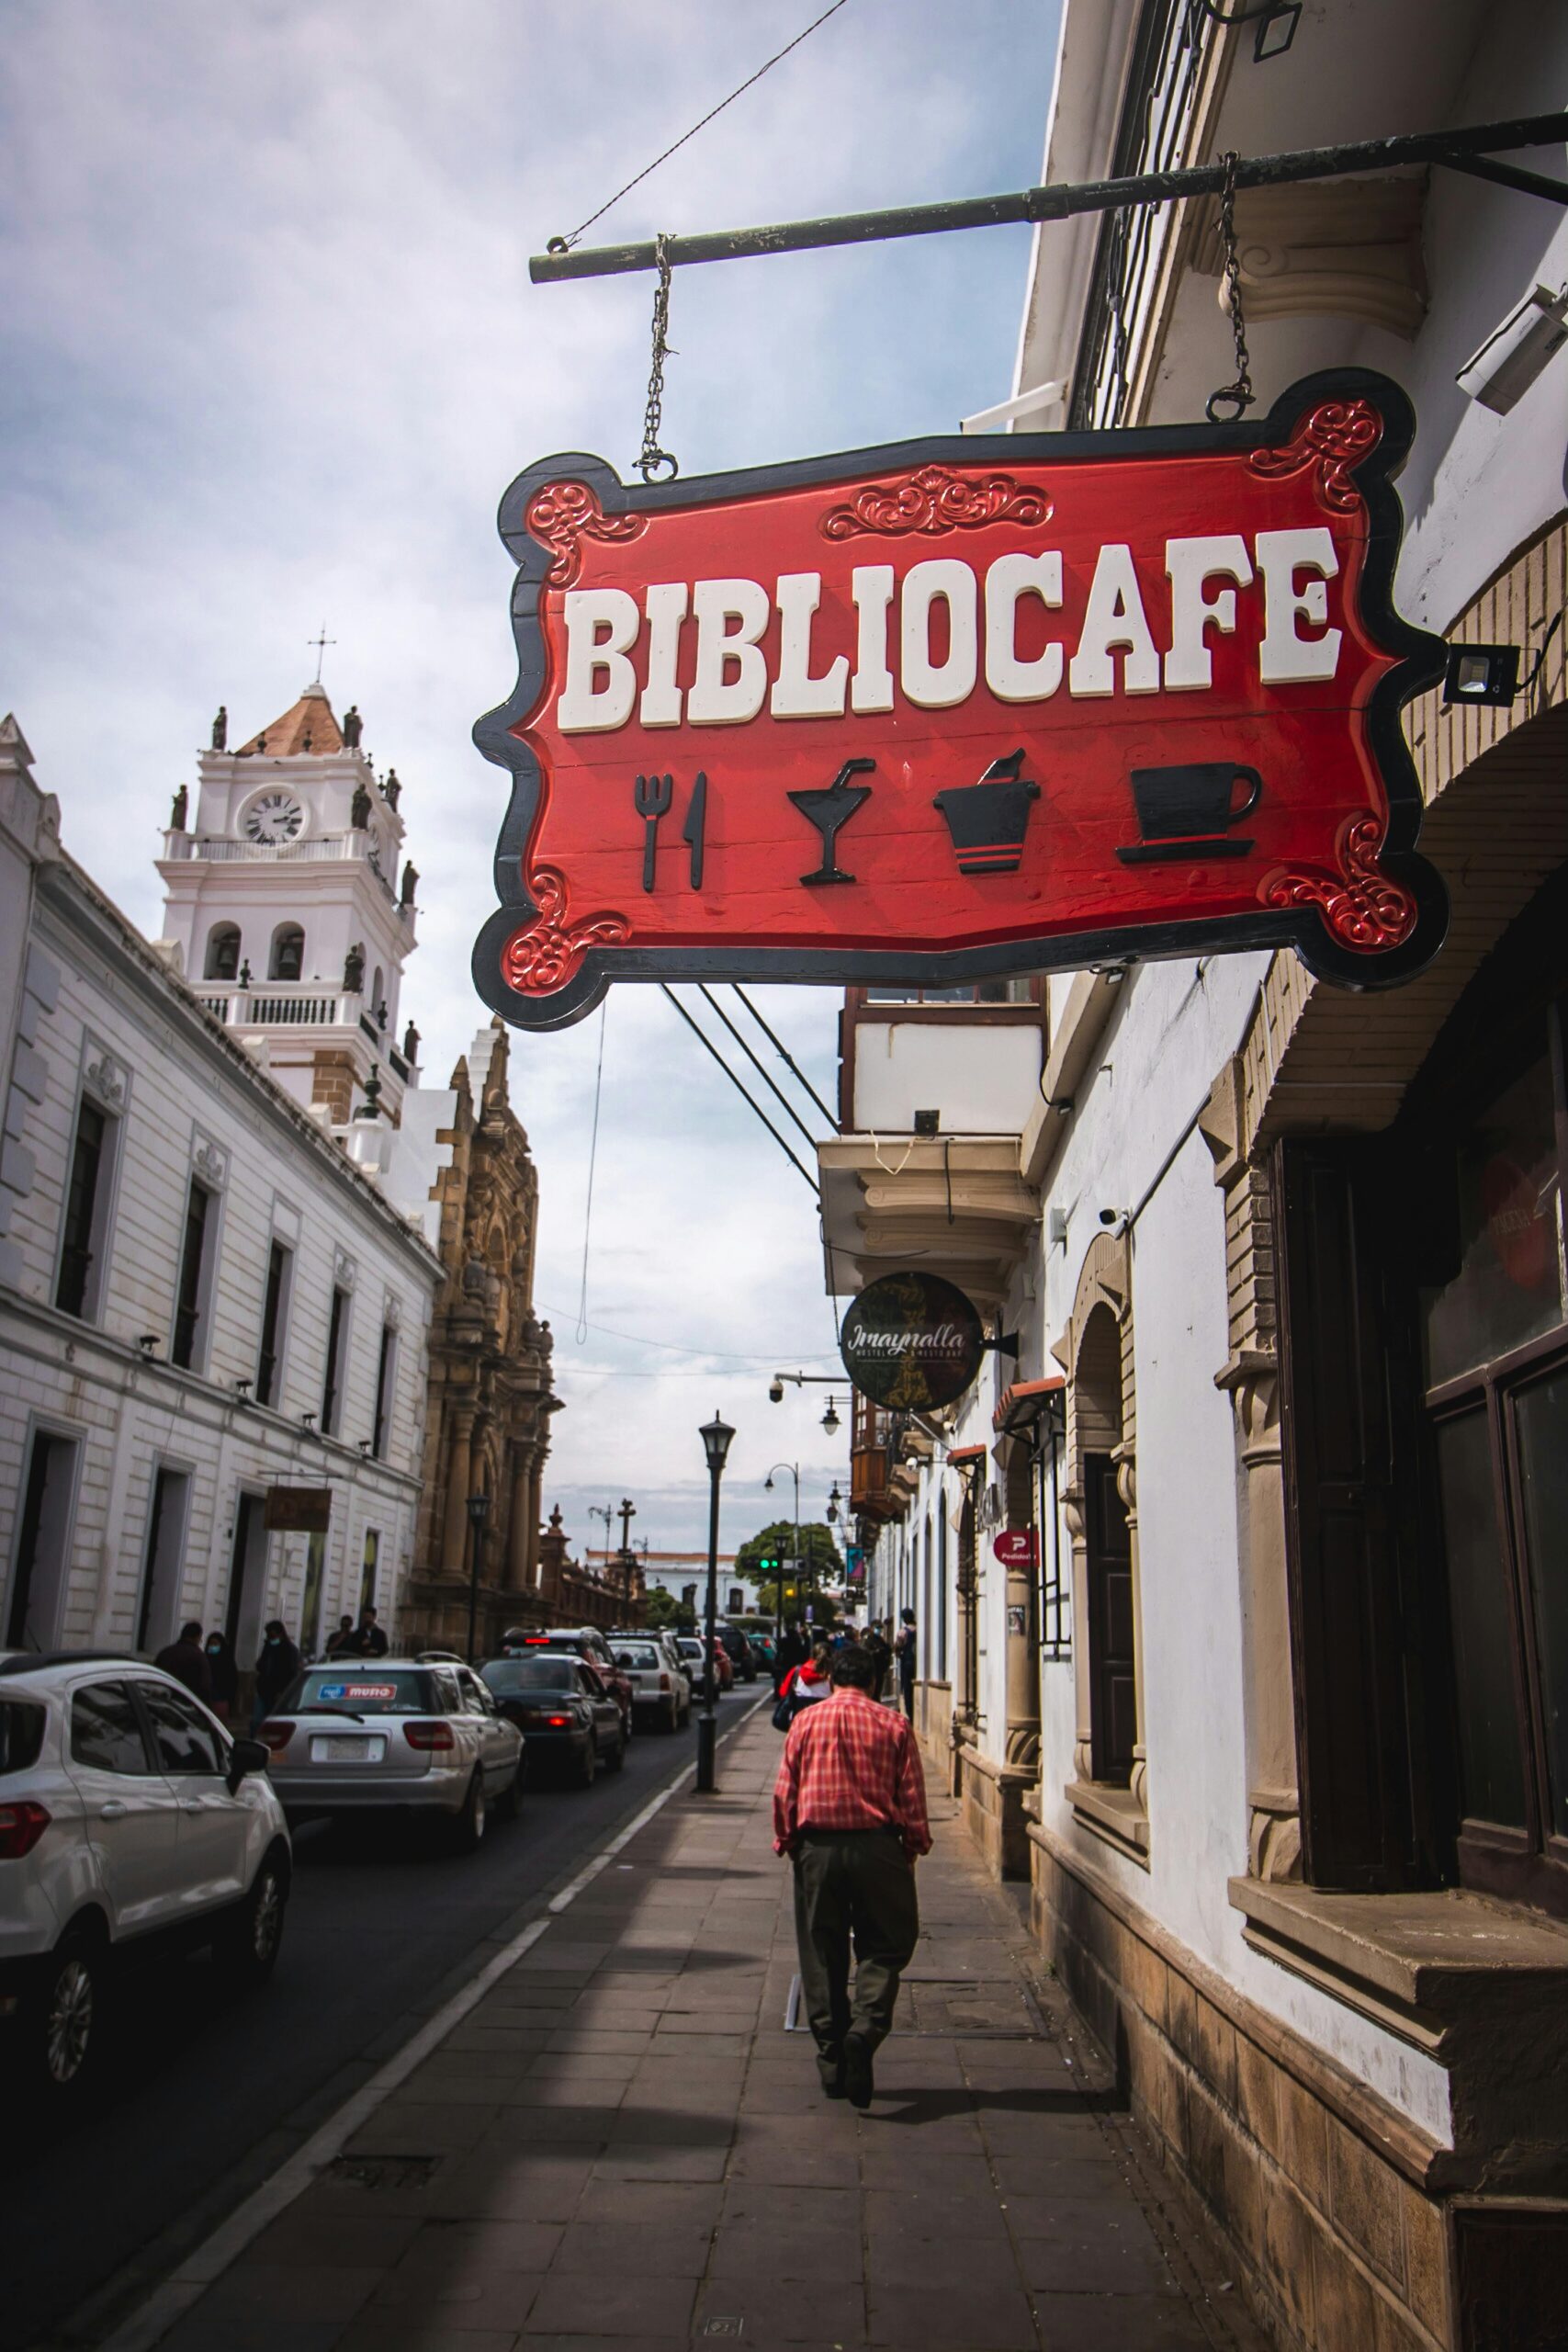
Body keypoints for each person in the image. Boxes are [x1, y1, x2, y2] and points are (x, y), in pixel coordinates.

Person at [773, 1644, 931, 2110]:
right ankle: (865, 2029)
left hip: (817, 1849)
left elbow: (786, 1792)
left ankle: (832, 2061)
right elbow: (912, 1796)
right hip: (878, 1848)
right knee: (885, 1946)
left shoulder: (805, 1722)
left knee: (822, 1953)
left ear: (832, 1680)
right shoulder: (894, 1724)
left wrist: (787, 1840)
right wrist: (914, 1845)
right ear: (876, 1682)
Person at [254, 1621, 301, 1726]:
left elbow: (291, 1672)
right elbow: (261, 1665)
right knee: (257, 1721)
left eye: (273, 1635)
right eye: (269, 1636)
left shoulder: (289, 1650)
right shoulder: (268, 1647)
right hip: (263, 1689)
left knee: (273, 1720)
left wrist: (282, 1691)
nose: (271, 1638)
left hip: (279, 1692)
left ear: (280, 1634)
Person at [155, 1621, 213, 1704]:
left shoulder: (165, 1653)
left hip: (162, 1704)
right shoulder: (199, 1657)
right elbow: (205, 1687)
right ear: (197, 1637)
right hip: (187, 1708)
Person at [203, 1630, 239, 1724]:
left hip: (221, 1697)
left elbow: (232, 1680)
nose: (213, 1646)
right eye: (211, 1643)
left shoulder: (227, 1660)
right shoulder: (204, 1659)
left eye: (215, 1644)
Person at [895, 1608, 918, 1723]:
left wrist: (899, 1653)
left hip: (907, 1664)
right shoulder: (918, 1629)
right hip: (917, 1665)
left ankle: (911, 1715)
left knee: (907, 1691)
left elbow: (897, 1648)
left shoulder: (902, 1632)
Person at [864, 1620, 893, 1702]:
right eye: (877, 1628)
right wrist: (876, 1652)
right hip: (872, 1670)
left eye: (880, 1628)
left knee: (878, 1692)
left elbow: (887, 1650)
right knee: (872, 1692)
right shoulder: (868, 1639)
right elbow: (865, 1652)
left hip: (880, 1670)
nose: (879, 1630)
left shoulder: (880, 1639)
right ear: (872, 1628)